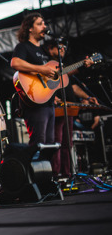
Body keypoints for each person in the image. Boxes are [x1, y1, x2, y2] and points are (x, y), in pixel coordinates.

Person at [45, 40, 95, 178]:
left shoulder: (64, 67)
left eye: (64, 47)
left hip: (69, 108)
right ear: (50, 49)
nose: (63, 49)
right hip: (56, 108)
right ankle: (55, 175)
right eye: (59, 47)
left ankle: (67, 174)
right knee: (57, 142)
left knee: (68, 143)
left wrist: (87, 97)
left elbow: (73, 87)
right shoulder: (45, 66)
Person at [11, 12, 58, 146]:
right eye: (39, 24)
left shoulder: (44, 51)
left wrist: (80, 67)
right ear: (30, 28)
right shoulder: (23, 47)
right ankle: (32, 167)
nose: (44, 26)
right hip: (34, 102)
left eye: (44, 23)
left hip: (48, 102)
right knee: (38, 142)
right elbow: (15, 63)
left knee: (50, 144)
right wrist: (41, 69)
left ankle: (46, 167)